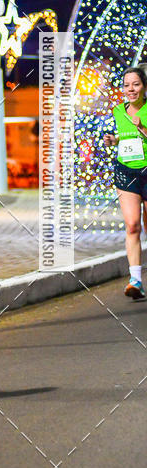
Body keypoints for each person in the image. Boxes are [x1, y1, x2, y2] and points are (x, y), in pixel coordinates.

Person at [104, 64, 147, 298]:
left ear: (144, 87)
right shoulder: (118, 111)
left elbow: (139, 132)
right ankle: (136, 281)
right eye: (127, 85)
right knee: (132, 225)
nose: (131, 89)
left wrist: (142, 127)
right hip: (126, 172)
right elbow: (125, 135)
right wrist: (114, 139)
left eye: (136, 84)